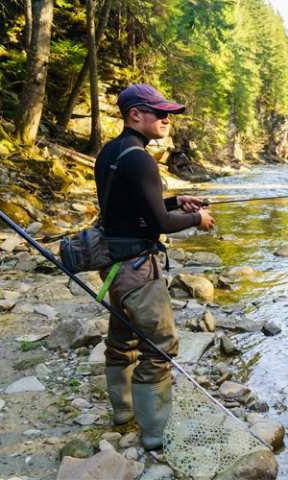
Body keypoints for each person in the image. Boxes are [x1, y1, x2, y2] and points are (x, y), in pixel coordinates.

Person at [94, 83, 214, 450]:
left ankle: (122, 413)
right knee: (160, 344)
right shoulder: (141, 159)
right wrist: (197, 220)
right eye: (160, 113)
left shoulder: (112, 152)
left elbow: (132, 206)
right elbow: (160, 223)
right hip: (137, 270)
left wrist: (178, 199)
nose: (167, 120)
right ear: (135, 115)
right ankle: (154, 435)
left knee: (123, 339)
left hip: (113, 265)